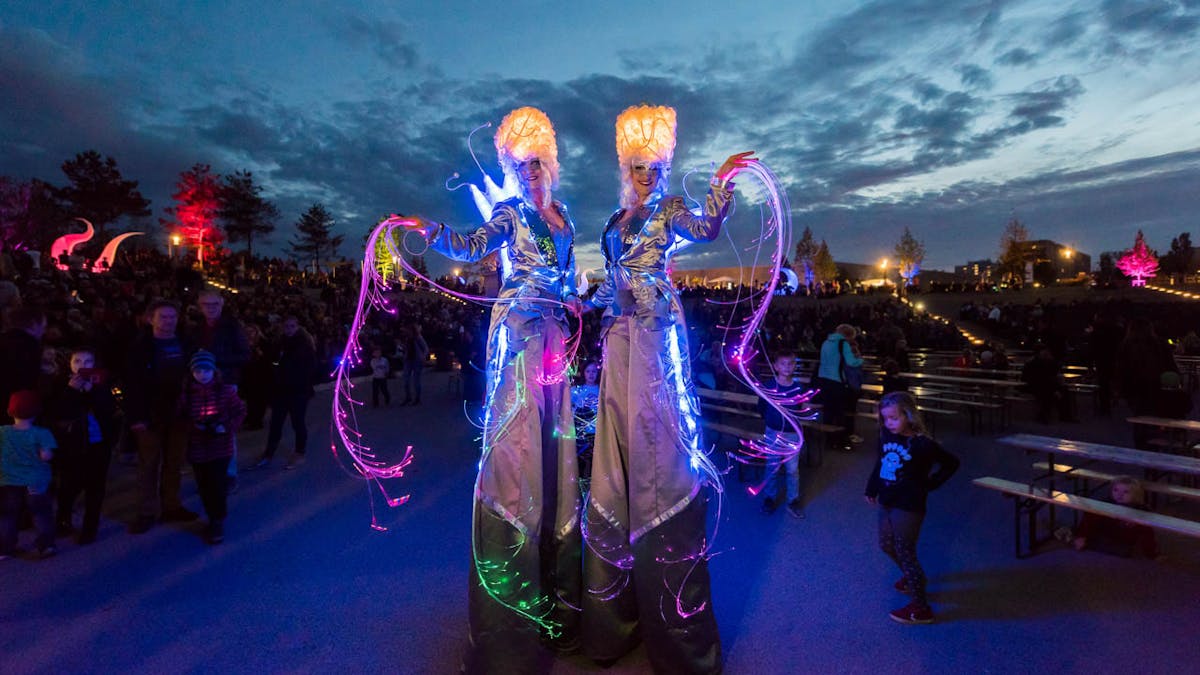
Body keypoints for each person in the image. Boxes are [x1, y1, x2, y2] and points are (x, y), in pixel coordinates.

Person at [388, 107, 582, 672]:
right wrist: (433, 232)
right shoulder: (510, 211)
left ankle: (558, 594)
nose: (531, 173)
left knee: (554, 448)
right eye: (520, 165)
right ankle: (511, 603)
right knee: (518, 452)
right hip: (520, 333)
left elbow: (565, 275)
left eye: (538, 163)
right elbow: (475, 244)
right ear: (512, 169)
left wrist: (570, 298)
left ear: (551, 164)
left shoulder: (564, 216)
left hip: (555, 335)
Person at [582, 103, 754, 673]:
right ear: (624, 169)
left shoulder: (670, 209)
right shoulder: (612, 222)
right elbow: (607, 285)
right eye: (638, 168)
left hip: (656, 333)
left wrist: (721, 186)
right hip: (618, 337)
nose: (647, 177)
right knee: (619, 446)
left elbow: (707, 226)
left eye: (655, 168)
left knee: (658, 443)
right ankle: (615, 611)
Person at [865, 391, 959, 625]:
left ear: (908, 415)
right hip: (887, 499)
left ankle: (921, 607)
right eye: (885, 418)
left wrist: (930, 484)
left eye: (894, 418)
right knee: (886, 545)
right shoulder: (886, 435)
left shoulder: (922, 444)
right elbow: (881, 463)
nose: (889, 423)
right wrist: (871, 487)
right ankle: (911, 578)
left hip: (909, 505)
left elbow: (951, 463)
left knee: (905, 551)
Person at [123, 300, 197, 534]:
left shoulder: (186, 343)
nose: (169, 321)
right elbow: (131, 385)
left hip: (180, 413)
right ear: (150, 319)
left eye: (172, 316)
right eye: (163, 316)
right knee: (149, 465)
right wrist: (136, 416)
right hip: (150, 415)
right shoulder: (140, 347)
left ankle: (171, 506)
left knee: (174, 463)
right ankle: (146, 511)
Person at [46, 348, 117, 545]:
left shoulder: (102, 383)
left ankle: (90, 527)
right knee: (69, 484)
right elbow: (56, 412)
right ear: (69, 363)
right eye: (77, 361)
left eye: (88, 362)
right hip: (71, 444)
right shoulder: (61, 384)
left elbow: (109, 410)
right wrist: (71, 391)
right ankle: (63, 519)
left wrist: (92, 391)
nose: (82, 366)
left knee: (95, 487)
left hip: (98, 443)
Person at [179, 350, 246, 544]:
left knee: (217, 484)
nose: (203, 374)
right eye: (198, 370)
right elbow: (180, 416)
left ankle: (217, 519)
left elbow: (240, 411)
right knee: (204, 485)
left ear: (213, 370)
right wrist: (194, 426)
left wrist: (226, 427)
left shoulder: (225, 391)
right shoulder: (187, 395)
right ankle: (211, 514)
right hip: (198, 448)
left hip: (220, 447)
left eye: (207, 369)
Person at [193, 290, 250, 489]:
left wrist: (214, 360)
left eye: (214, 304)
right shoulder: (197, 328)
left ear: (221, 304)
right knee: (203, 428)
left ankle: (229, 473)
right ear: (200, 306)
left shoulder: (231, 327)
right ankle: (208, 469)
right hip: (202, 385)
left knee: (225, 429)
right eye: (207, 305)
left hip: (225, 383)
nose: (211, 308)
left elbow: (245, 354)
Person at [0, 391, 58, 559]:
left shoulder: (2, 432)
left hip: (8, 480)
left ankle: (5, 548)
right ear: (36, 413)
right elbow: (46, 456)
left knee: (8, 515)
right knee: (41, 513)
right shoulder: (42, 433)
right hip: (36, 480)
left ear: (10, 412)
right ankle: (46, 545)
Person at [254, 316, 317, 470]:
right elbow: (273, 361)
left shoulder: (305, 344)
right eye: (286, 326)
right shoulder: (279, 342)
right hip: (281, 390)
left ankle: (299, 451)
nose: (289, 329)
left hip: (298, 391)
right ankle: (269, 452)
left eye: (292, 326)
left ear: (298, 327)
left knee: (298, 422)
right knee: (276, 422)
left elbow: (308, 368)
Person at [1058, 476, 1159, 559]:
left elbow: (1147, 533)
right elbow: (1089, 520)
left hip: (1123, 541)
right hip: (1104, 534)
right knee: (1089, 532)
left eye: (1126, 492)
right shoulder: (1107, 504)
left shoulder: (1140, 511)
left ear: (1136, 495)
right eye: (1116, 490)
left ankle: (1072, 535)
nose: (1119, 495)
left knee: (1121, 551)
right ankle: (1077, 536)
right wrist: (1083, 536)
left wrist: (1151, 553)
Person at [758, 351, 806, 519]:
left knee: (792, 469)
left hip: (792, 434)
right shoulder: (769, 386)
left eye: (791, 363)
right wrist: (772, 422)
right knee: (772, 466)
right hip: (773, 432)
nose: (787, 367)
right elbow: (762, 407)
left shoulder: (798, 388)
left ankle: (793, 500)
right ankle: (770, 498)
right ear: (776, 366)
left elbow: (801, 409)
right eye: (783, 363)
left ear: (795, 365)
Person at [815, 324, 863, 451]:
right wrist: (861, 360)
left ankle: (827, 439)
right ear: (847, 335)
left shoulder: (825, 342)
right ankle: (839, 441)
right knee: (839, 412)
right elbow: (851, 362)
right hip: (837, 380)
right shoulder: (843, 344)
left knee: (828, 411)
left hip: (824, 380)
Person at [0, 306, 46, 424]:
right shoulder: (30, 347)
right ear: (34, 324)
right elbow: (28, 381)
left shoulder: (3, 340)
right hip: (15, 408)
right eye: (43, 326)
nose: (43, 330)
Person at [1021, 346, 1076, 424]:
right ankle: (1045, 416)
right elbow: (1035, 378)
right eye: (1044, 352)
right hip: (1034, 386)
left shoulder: (1047, 362)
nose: (1046, 353)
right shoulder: (1033, 363)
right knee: (1049, 392)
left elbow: (1052, 375)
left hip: (1046, 386)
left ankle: (1064, 415)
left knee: (1063, 390)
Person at [400, 324, 429, 406]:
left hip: (417, 360)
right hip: (408, 360)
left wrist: (423, 357)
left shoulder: (418, 337)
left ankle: (417, 398)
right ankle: (408, 397)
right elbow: (406, 348)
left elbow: (425, 348)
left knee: (416, 380)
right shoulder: (406, 338)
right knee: (406, 379)